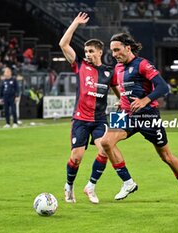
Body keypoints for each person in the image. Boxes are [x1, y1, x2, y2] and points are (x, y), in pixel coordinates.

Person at [101, 33, 178, 207]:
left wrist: (145, 100)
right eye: (112, 51)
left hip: (148, 115)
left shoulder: (142, 64)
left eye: (117, 50)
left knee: (166, 157)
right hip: (126, 115)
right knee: (106, 142)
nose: (114, 54)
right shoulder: (118, 68)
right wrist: (120, 102)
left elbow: (163, 87)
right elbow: (122, 89)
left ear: (127, 48)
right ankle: (128, 182)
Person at [59, 12, 120, 204]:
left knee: (104, 148)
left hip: (99, 119)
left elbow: (118, 90)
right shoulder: (79, 65)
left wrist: (121, 102)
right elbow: (63, 44)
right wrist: (75, 23)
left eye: (91, 52)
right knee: (76, 157)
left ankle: (91, 186)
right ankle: (69, 186)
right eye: (86, 52)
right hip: (80, 119)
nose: (88, 55)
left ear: (100, 52)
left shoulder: (109, 72)